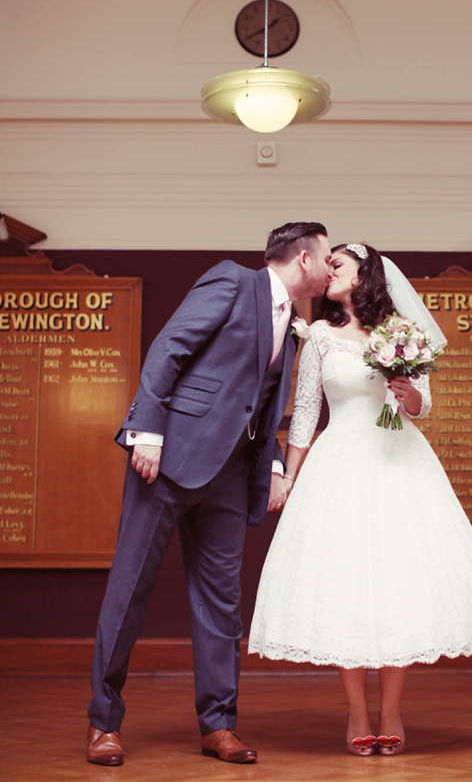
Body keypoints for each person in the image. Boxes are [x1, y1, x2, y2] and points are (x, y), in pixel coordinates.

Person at [86, 222, 332, 766]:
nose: (331, 265)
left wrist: (268, 463)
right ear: (303, 259)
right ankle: (103, 723)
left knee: (222, 603)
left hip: (230, 475)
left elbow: (262, 404)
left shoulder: (296, 321)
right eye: (326, 254)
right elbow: (168, 348)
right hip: (169, 462)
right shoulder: (232, 281)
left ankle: (218, 725)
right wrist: (147, 430)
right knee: (130, 591)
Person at [249, 243, 472, 757]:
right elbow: (304, 412)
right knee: (346, 581)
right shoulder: (318, 335)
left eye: (337, 265)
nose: (327, 273)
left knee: (399, 581)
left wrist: (404, 386)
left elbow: (420, 407)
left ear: (365, 275)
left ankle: (391, 710)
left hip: (398, 461)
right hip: (339, 461)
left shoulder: (400, 333)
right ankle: (358, 712)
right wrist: (288, 477)